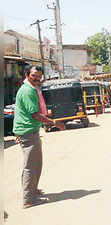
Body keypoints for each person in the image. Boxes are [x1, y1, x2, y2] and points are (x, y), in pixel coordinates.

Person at [13, 65, 64, 209]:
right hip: (27, 131)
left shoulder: (31, 88)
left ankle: (33, 191)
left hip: (30, 130)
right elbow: (34, 114)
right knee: (31, 166)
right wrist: (53, 122)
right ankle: (28, 199)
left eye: (39, 76)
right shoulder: (28, 90)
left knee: (36, 163)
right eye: (33, 75)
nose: (36, 78)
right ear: (27, 74)